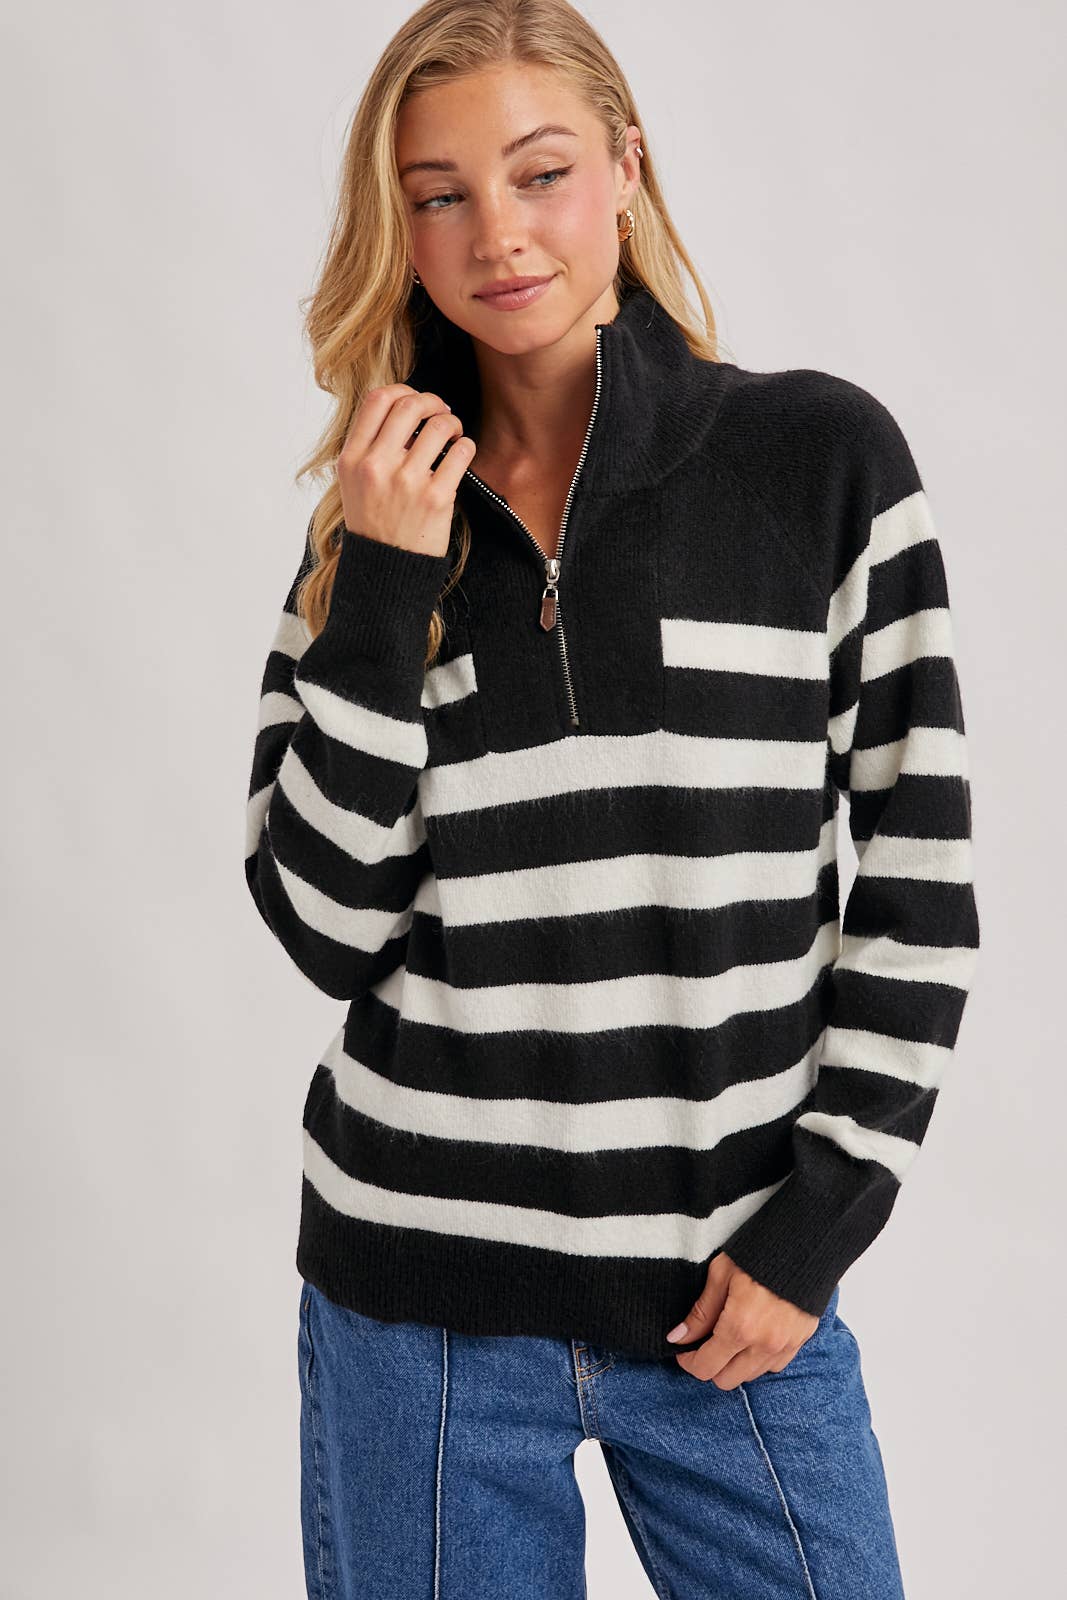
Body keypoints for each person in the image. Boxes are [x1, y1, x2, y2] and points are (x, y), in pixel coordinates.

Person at [243, 2, 980, 1594]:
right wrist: (385, 583)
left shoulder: (819, 462)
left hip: (733, 1299)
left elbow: (919, 882)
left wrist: (820, 1225)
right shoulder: (370, 526)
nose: (497, 234)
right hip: (420, 1307)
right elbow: (323, 929)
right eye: (439, 194)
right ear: (397, 229)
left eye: (541, 172)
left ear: (627, 170)